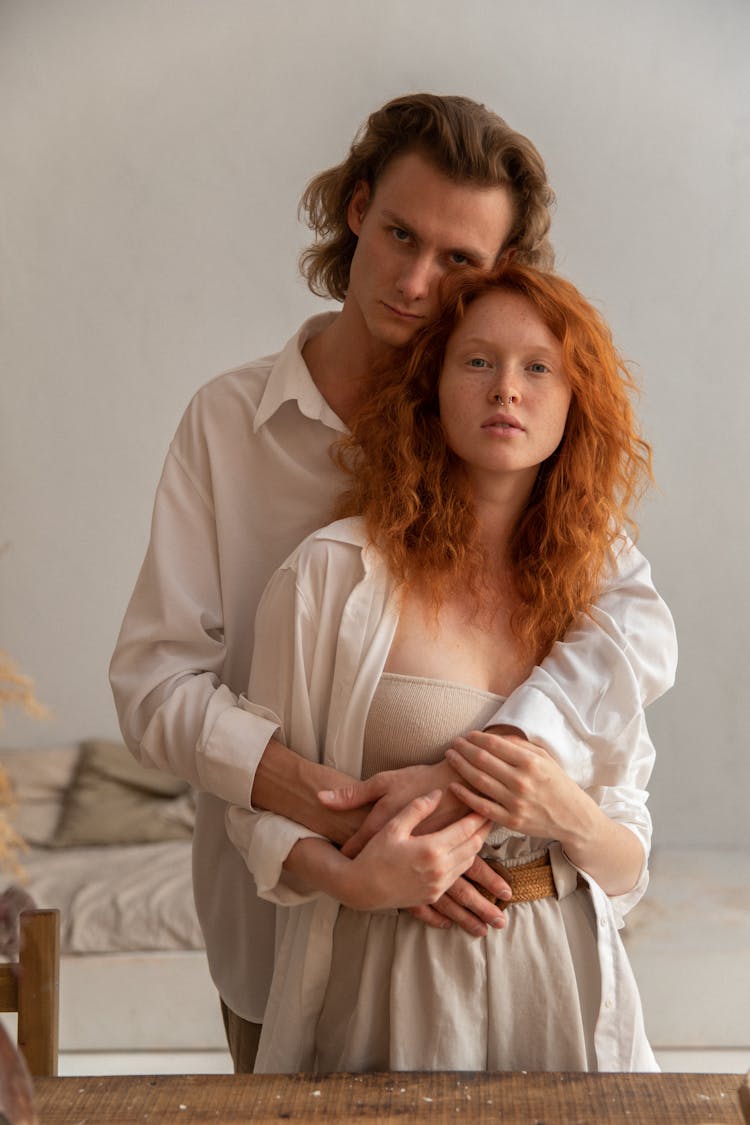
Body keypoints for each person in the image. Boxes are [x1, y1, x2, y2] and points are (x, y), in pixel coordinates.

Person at [109, 93, 677, 1072]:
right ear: (357, 209)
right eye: (400, 235)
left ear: (496, 275)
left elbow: (625, 617)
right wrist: (357, 820)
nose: (416, 281)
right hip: (276, 916)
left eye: (458, 260)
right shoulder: (229, 423)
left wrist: (476, 786)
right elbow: (156, 686)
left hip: (503, 938)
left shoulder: (512, 449)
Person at [227, 262, 665, 1073]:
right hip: (386, 982)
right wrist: (359, 881)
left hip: (561, 990)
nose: (508, 388)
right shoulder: (332, 575)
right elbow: (256, 814)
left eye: (540, 367)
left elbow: (628, 859)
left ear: (575, 405)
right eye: (477, 361)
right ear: (430, 387)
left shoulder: (597, 610)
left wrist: (566, 812)